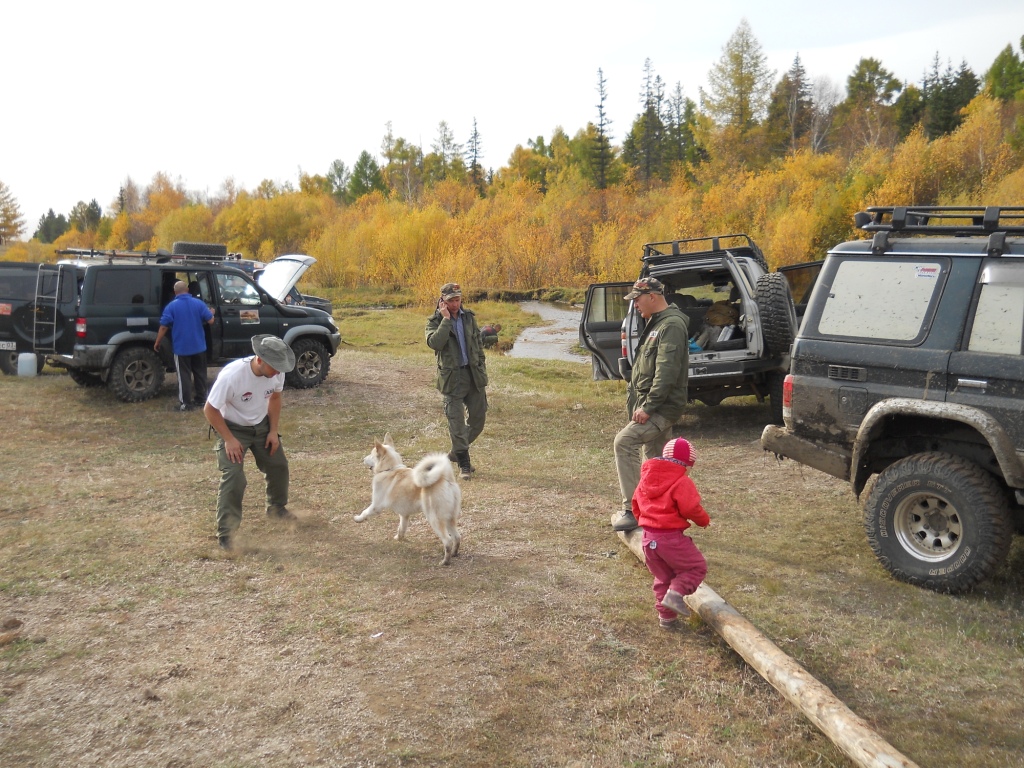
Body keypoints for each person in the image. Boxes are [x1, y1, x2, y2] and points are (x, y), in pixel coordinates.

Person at [611, 277, 690, 532]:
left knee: (624, 442)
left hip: (660, 407)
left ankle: (633, 510)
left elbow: (666, 372)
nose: (635, 305)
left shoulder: (671, 325)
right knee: (657, 461)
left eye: (637, 299)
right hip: (655, 404)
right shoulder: (658, 322)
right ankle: (658, 511)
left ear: (652, 297)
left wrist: (648, 407)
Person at [204, 334, 296, 550]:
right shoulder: (232, 376)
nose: (278, 372)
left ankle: (276, 508)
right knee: (234, 476)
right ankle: (226, 534)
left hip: (262, 425)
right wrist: (229, 439)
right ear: (260, 359)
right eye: (274, 367)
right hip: (232, 428)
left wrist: (273, 431)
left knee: (278, 465)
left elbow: (275, 398)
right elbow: (210, 409)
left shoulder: (277, 372)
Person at [632, 438, 710, 630]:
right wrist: (703, 520)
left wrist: (647, 522)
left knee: (663, 577)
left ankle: (666, 619)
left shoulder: (646, 478)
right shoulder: (681, 481)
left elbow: (635, 504)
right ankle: (675, 595)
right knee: (695, 567)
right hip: (670, 539)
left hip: (648, 538)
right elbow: (690, 508)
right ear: (686, 464)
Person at [425, 282, 488, 480]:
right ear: (442, 301)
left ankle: (455, 452)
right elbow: (435, 343)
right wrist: (445, 320)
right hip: (452, 379)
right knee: (457, 423)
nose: (455, 304)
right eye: (451, 300)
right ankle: (464, 463)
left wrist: (481, 365)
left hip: (473, 375)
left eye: (457, 300)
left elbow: (478, 343)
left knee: (478, 420)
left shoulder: (468, 317)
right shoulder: (434, 321)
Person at [155, 280, 215, 411]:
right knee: (200, 374)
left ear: (175, 292)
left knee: (184, 376)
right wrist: (211, 312)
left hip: (181, 348)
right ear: (187, 290)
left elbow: (164, 326)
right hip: (199, 346)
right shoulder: (199, 303)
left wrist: (157, 342)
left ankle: (186, 404)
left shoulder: (171, 307)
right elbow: (210, 320)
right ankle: (201, 399)